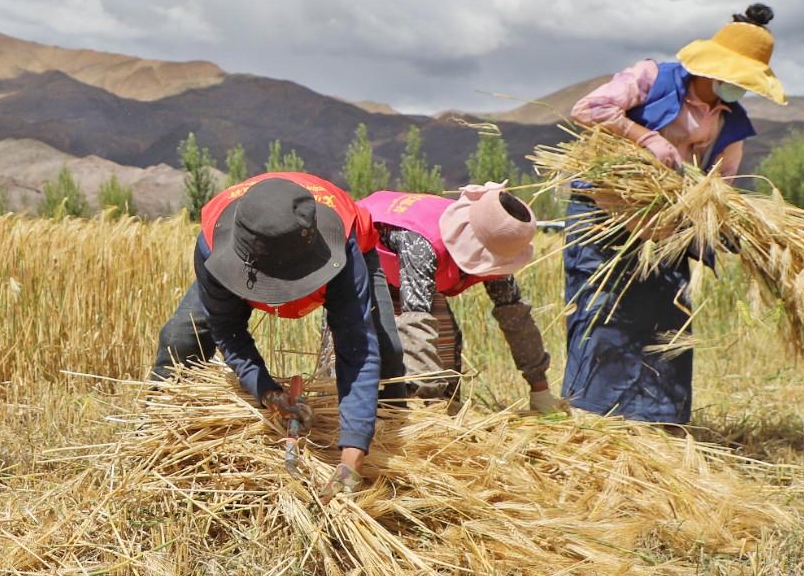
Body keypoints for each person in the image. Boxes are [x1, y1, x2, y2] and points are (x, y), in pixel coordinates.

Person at [562, 4, 786, 424]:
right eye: (736, 79)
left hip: (666, 231)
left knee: (666, 323)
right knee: (602, 315)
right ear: (713, 69)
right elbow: (586, 110)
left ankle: (655, 422)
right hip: (606, 216)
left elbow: (724, 185)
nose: (740, 89)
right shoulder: (652, 79)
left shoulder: (731, 123)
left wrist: (731, 225)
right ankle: (593, 423)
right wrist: (645, 137)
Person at [150, 172, 406, 498]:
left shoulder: (342, 244)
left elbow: (357, 348)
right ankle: (156, 435)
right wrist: (266, 391)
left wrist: (350, 459)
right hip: (244, 252)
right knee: (179, 338)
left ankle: (383, 444)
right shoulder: (214, 245)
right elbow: (227, 328)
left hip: (337, 249)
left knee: (387, 351)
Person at [357, 184, 560, 413]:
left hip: (416, 274)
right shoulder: (423, 244)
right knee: (368, 352)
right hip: (366, 261)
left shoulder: (499, 238)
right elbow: (416, 322)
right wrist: (431, 411)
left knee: (444, 345)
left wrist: (540, 389)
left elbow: (514, 315)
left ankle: (441, 405)